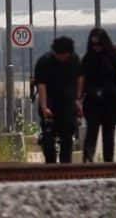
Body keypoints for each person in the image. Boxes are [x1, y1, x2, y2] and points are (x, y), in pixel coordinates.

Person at [76, 28, 116, 163]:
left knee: (109, 135)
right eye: (94, 44)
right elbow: (81, 80)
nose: (96, 47)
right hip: (92, 101)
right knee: (91, 132)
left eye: (99, 44)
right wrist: (78, 99)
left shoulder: (114, 58)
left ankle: (108, 163)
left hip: (111, 101)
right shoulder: (87, 58)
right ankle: (87, 161)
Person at [34, 36, 80, 164]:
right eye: (59, 54)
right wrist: (44, 107)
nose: (61, 58)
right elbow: (41, 86)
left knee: (67, 138)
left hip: (68, 104)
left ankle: (65, 166)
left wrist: (78, 101)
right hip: (50, 103)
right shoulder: (44, 62)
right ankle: (51, 165)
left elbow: (78, 80)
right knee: (48, 138)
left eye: (64, 55)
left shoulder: (74, 60)